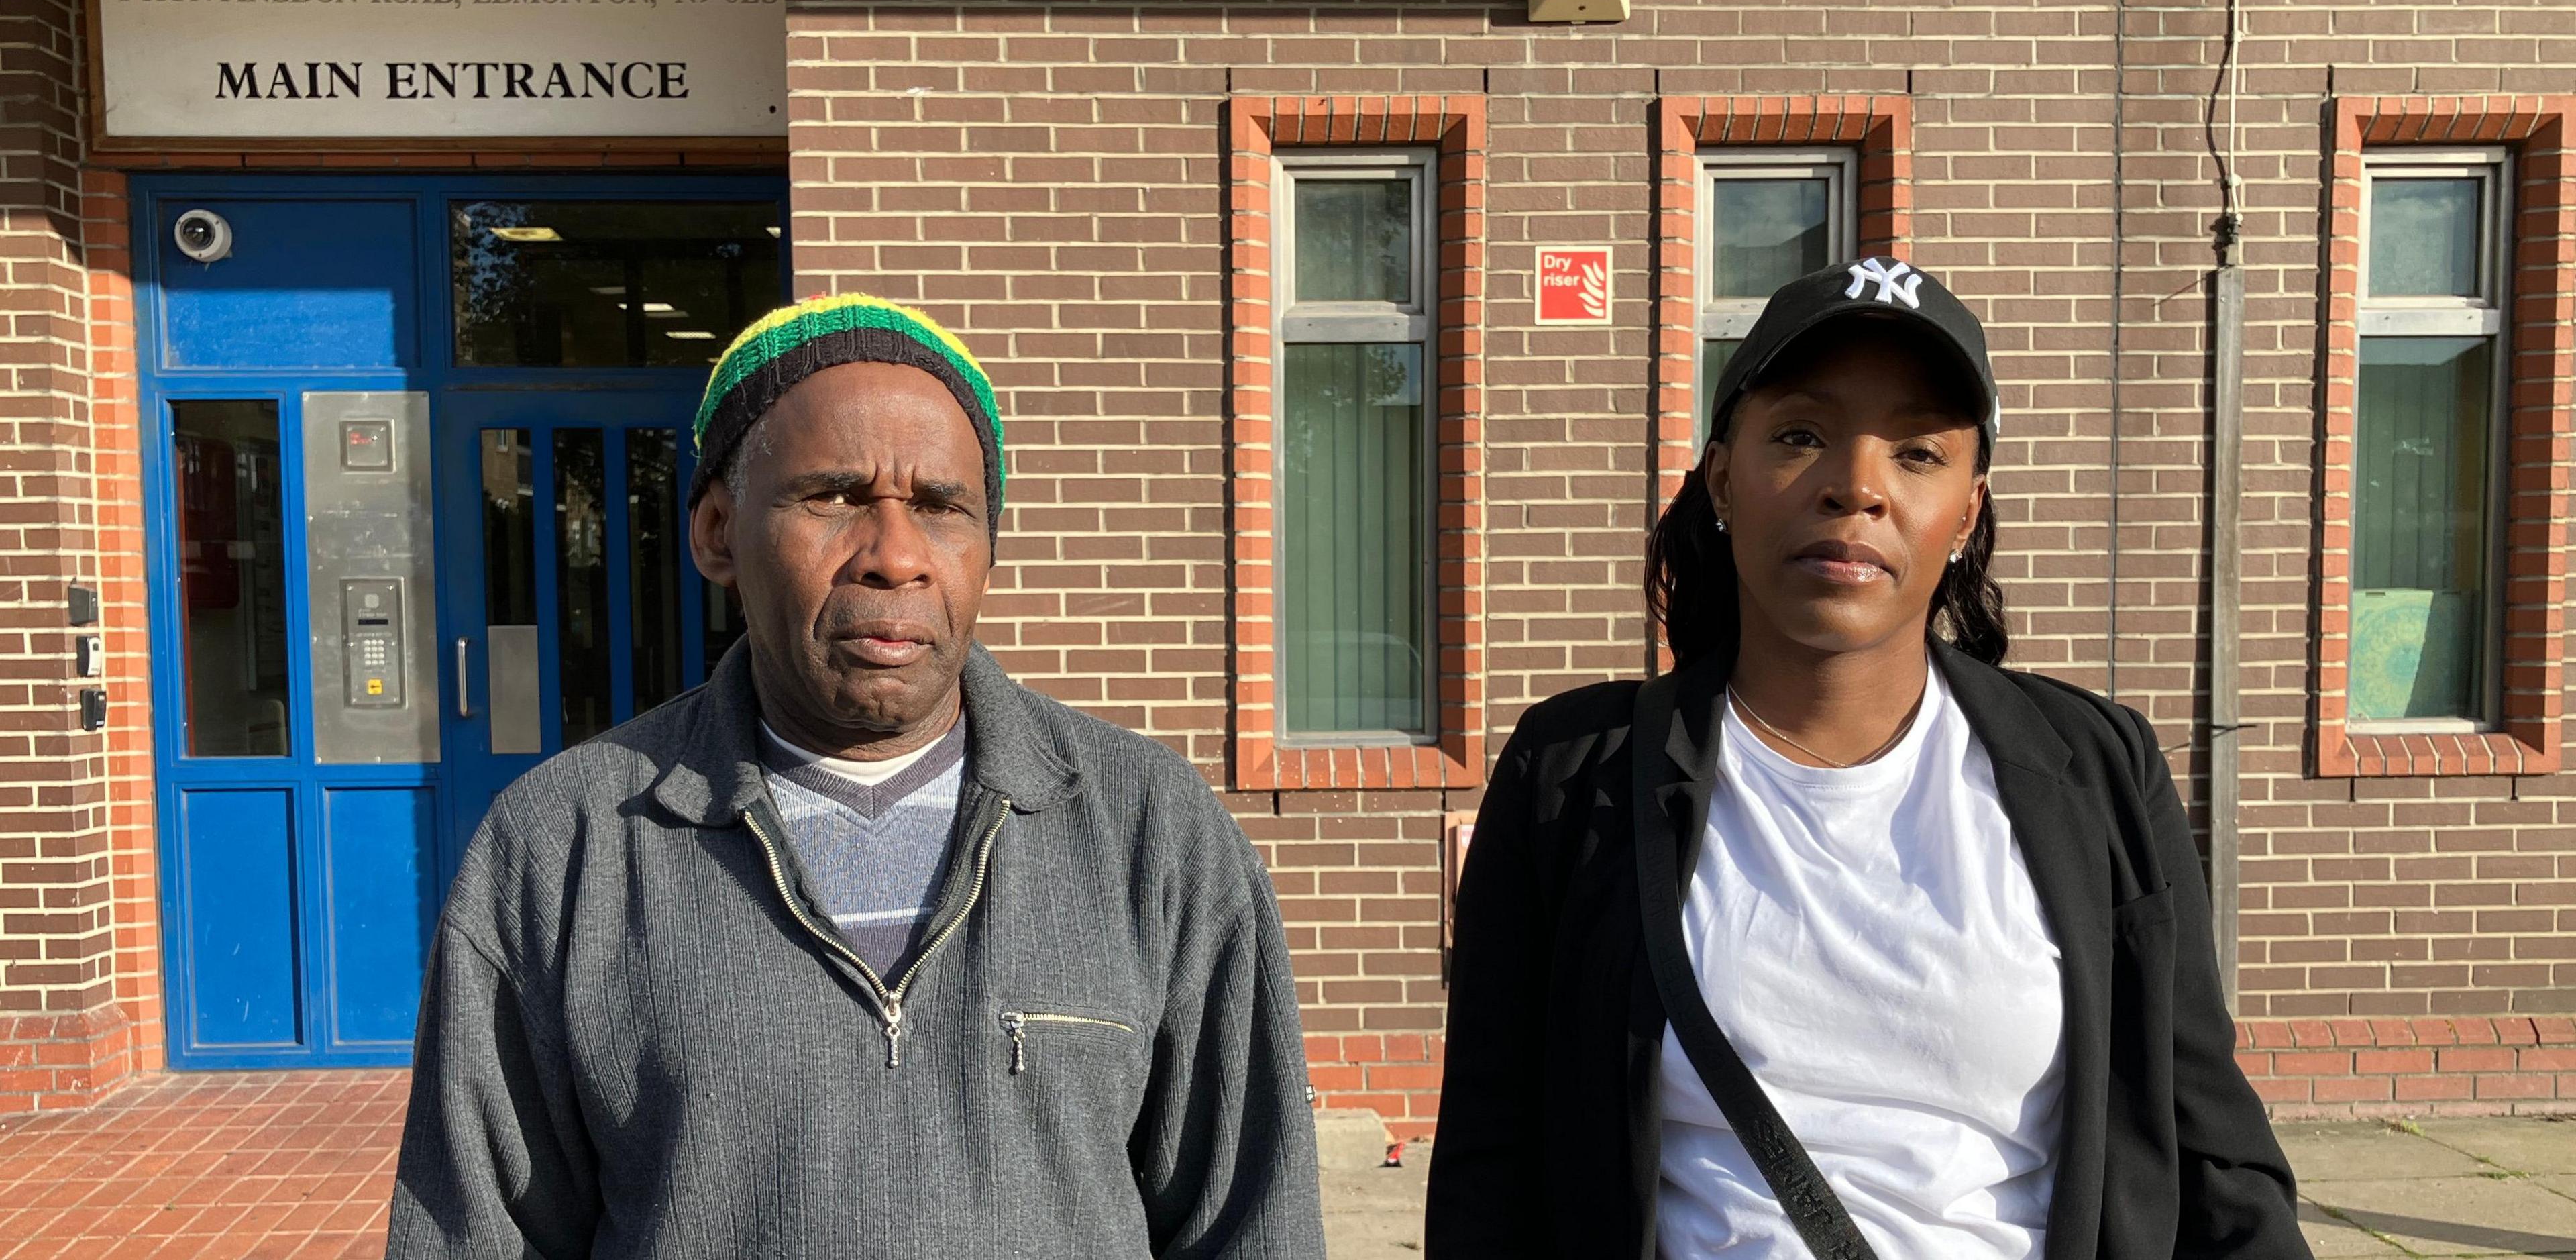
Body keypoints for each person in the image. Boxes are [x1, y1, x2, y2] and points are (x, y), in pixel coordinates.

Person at [388, 294, 1324, 1259]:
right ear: (717, 532)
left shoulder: (1152, 835)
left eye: (941, 507)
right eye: (833, 497)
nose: (896, 557)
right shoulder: (560, 848)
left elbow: (1255, 1226)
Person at [1426, 260, 2308, 1259]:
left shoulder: (2099, 772)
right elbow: (1487, 1172)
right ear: (1723, 477)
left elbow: (2214, 1157)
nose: (1856, 487)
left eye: (1918, 453)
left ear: (1968, 512)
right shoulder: (1572, 775)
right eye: (1801, 436)